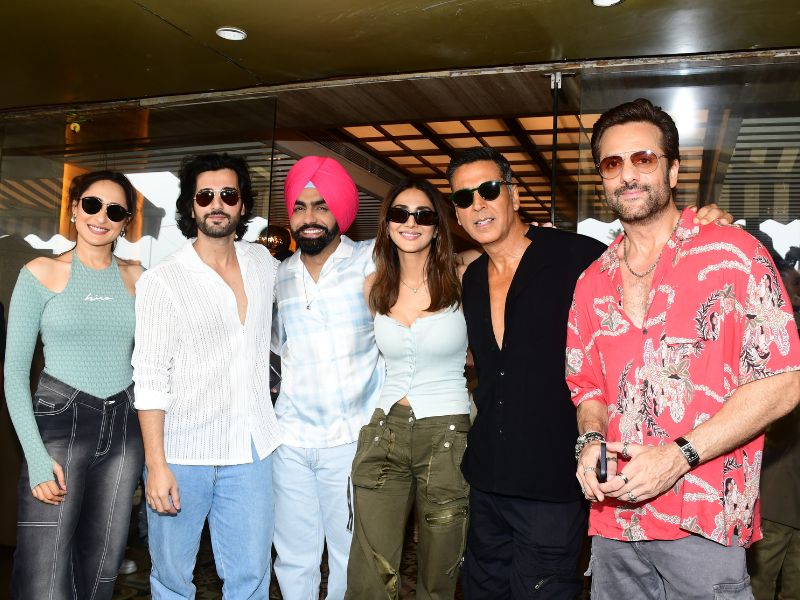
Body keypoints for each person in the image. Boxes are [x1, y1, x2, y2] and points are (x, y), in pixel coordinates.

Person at [447, 145, 732, 598]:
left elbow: (653, 259)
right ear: (458, 214)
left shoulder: (577, 256)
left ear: (514, 195)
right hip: (485, 480)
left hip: (553, 484)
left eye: (489, 190)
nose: (478, 204)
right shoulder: (472, 277)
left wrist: (703, 228)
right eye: (464, 198)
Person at [567, 98, 800, 599]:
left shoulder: (734, 254)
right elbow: (587, 387)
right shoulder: (591, 282)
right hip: (614, 520)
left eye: (643, 159)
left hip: (703, 517)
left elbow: (782, 383)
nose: (628, 174)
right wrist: (590, 442)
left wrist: (678, 456)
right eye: (612, 163)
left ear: (672, 171)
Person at [133, 153, 281, 599]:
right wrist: (156, 465)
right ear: (191, 206)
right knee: (172, 580)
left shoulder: (264, 264)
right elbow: (150, 378)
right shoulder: (163, 281)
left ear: (242, 204)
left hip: (251, 450)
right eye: (205, 196)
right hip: (182, 454)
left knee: (251, 577)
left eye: (228, 195)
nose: (217, 204)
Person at [4, 171, 144, 599]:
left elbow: (157, 362)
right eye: (92, 205)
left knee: (101, 571)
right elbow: (14, 373)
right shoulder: (40, 272)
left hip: (124, 429)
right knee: (42, 577)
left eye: (115, 211)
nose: (101, 217)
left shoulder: (139, 278)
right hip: (59, 425)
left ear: (125, 223)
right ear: (74, 209)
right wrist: (36, 458)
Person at [345, 178, 471, 598]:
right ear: (387, 223)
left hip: (447, 435)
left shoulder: (463, 278)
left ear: (437, 227)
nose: (411, 222)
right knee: (370, 575)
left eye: (424, 215)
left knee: (439, 574)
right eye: (400, 213)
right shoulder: (374, 286)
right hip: (386, 431)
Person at [271, 156, 384, 599]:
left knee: (349, 556)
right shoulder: (279, 275)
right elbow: (278, 349)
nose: (310, 217)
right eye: (299, 207)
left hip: (351, 440)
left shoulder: (372, 261)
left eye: (321, 205)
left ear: (342, 209)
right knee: (293, 558)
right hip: (290, 441)